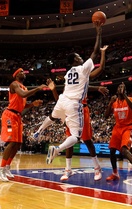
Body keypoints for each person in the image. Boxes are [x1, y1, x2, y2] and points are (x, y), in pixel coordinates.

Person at [35, 22, 104, 165]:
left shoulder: (68, 74)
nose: (81, 57)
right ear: (75, 60)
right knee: (76, 137)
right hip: (73, 104)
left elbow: (84, 85)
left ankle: (39, 130)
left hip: (62, 100)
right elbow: (95, 52)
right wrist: (98, 33)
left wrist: (96, 88)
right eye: (79, 56)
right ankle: (57, 149)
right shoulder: (83, 68)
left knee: (53, 117)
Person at [0, 68, 46, 182]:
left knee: (18, 143)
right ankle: (0, 168)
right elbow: (23, 94)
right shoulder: (14, 84)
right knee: (12, 141)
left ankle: (7, 167)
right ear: (16, 74)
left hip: (17, 116)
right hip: (9, 116)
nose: (24, 73)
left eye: (24, 72)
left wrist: (32, 104)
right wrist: (38, 88)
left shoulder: (25, 88)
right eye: (21, 71)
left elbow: (22, 105)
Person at [104, 83, 132, 185]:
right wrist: (110, 103)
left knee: (124, 150)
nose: (120, 88)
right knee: (111, 150)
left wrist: (124, 95)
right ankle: (115, 173)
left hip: (129, 127)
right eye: (119, 87)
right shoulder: (114, 102)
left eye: (123, 87)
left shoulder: (130, 99)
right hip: (118, 127)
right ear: (116, 90)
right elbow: (105, 116)